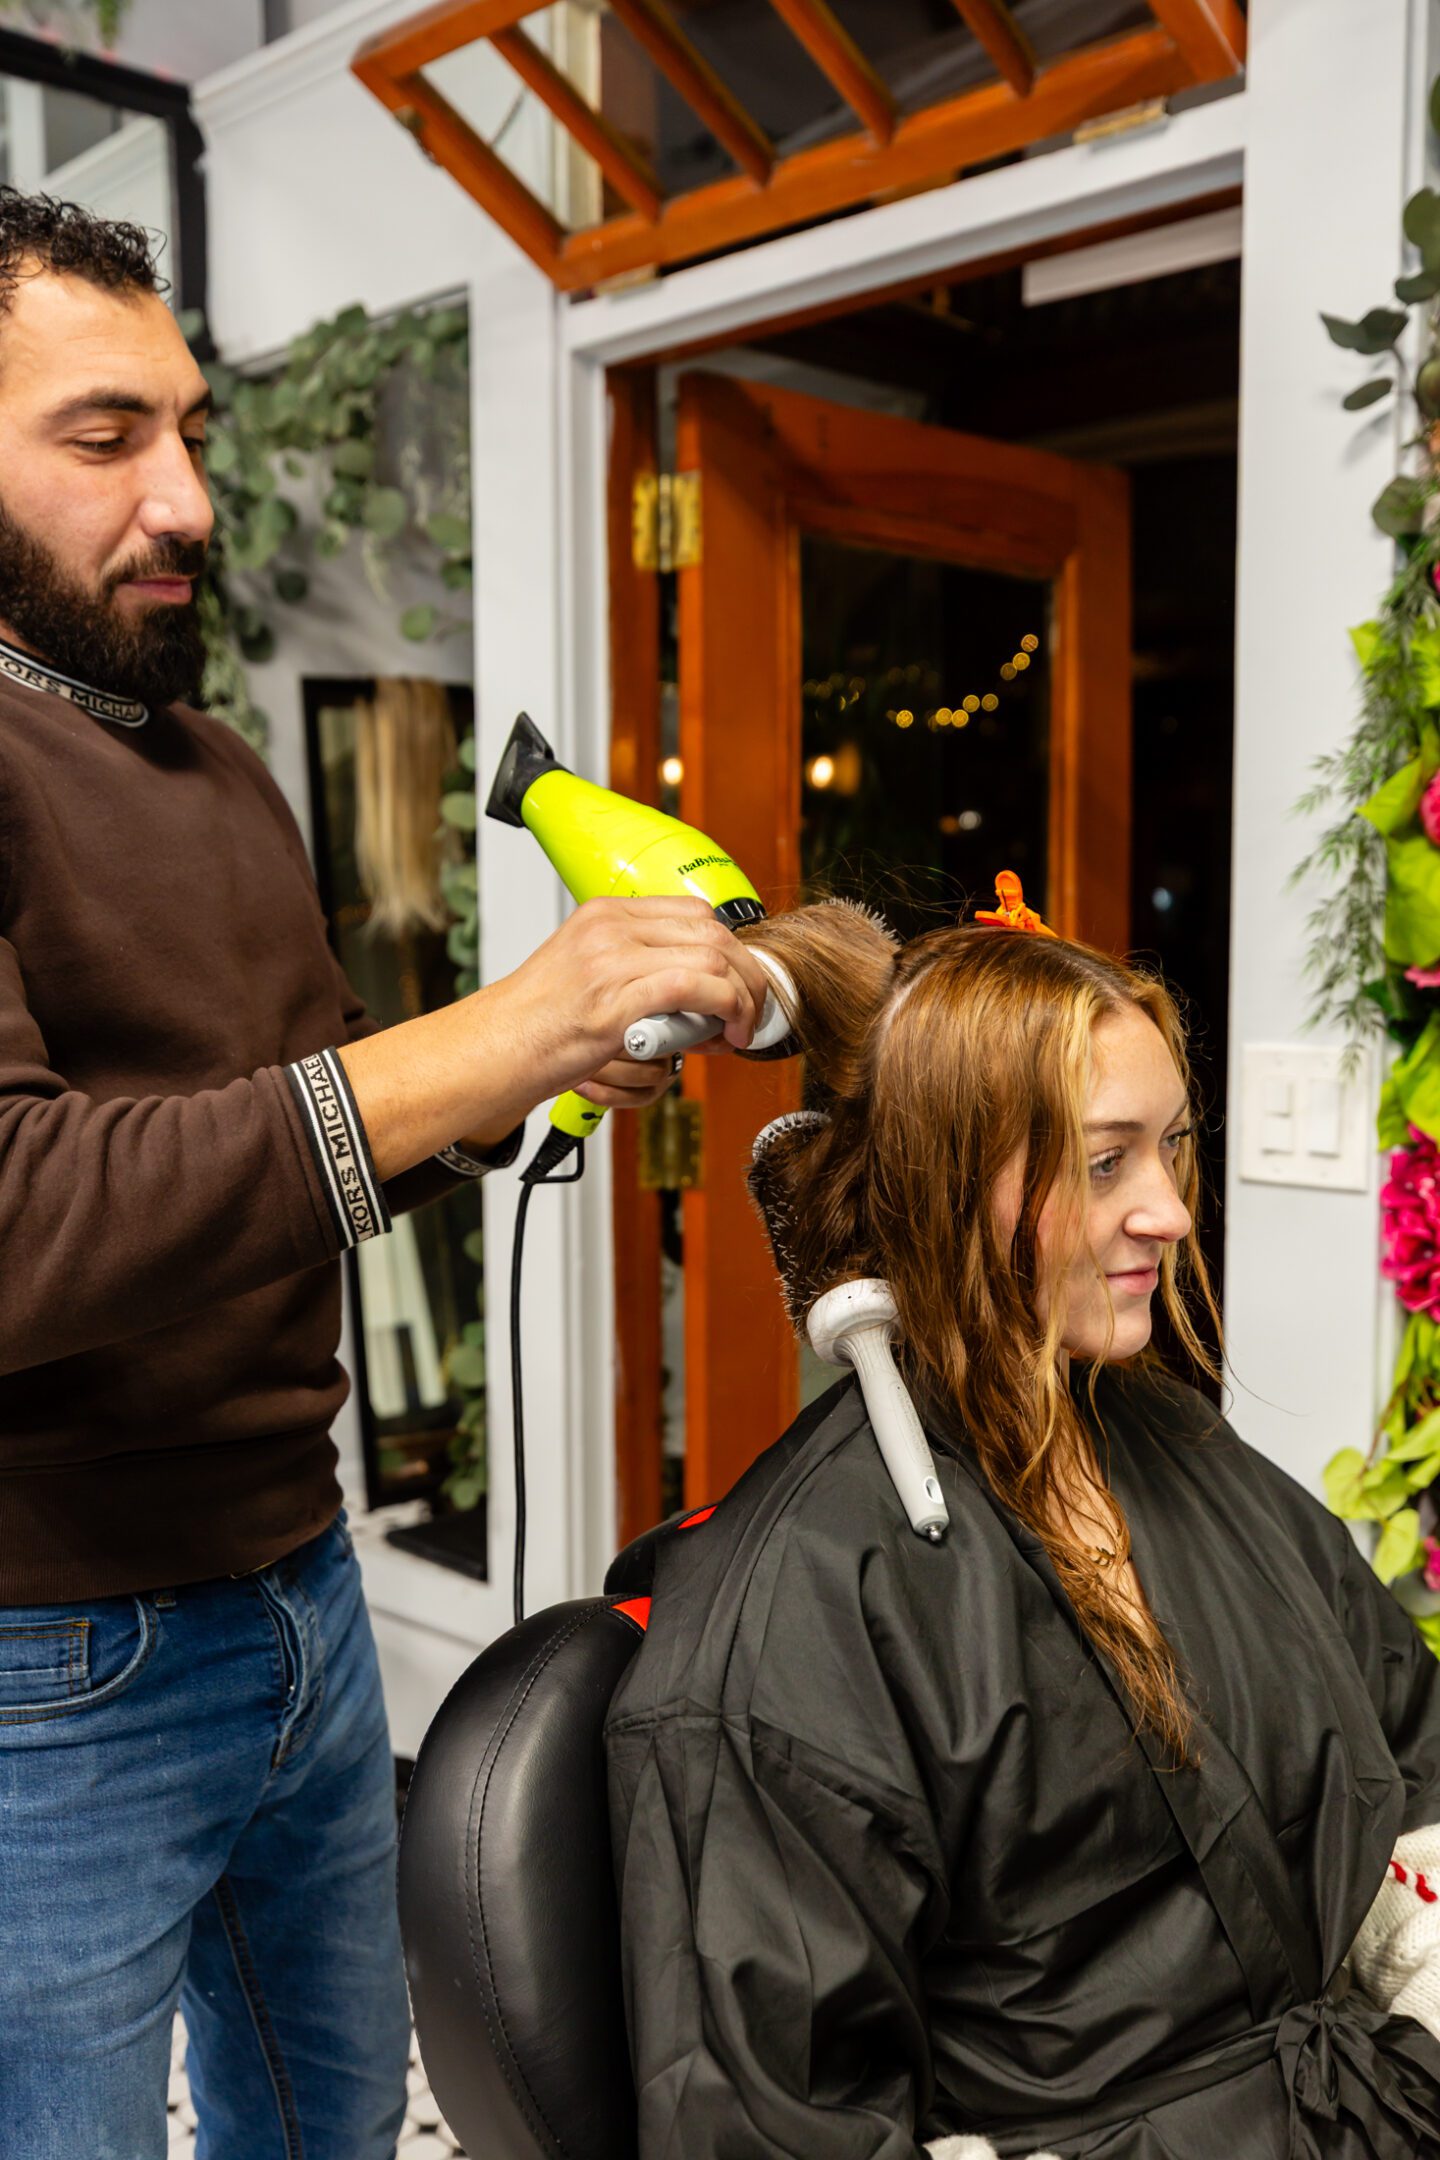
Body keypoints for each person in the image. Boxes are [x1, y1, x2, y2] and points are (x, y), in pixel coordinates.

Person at [0, 189, 771, 2160]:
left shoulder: (220, 771)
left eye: (188, 433)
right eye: (104, 438)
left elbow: (301, 1118)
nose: (184, 499)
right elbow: (23, 1220)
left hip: (299, 1590)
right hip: (50, 1663)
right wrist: (488, 1037)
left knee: (332, 2118)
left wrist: (523, 1082)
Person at [605, 894, 1440, 2158]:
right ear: (952, 1187)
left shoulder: (1172, 1444)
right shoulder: (805, 1608)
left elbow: (1411, 1740)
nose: (1169, 1211)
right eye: (1106, 1163)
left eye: (1171, 1147)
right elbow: (771, 2120)